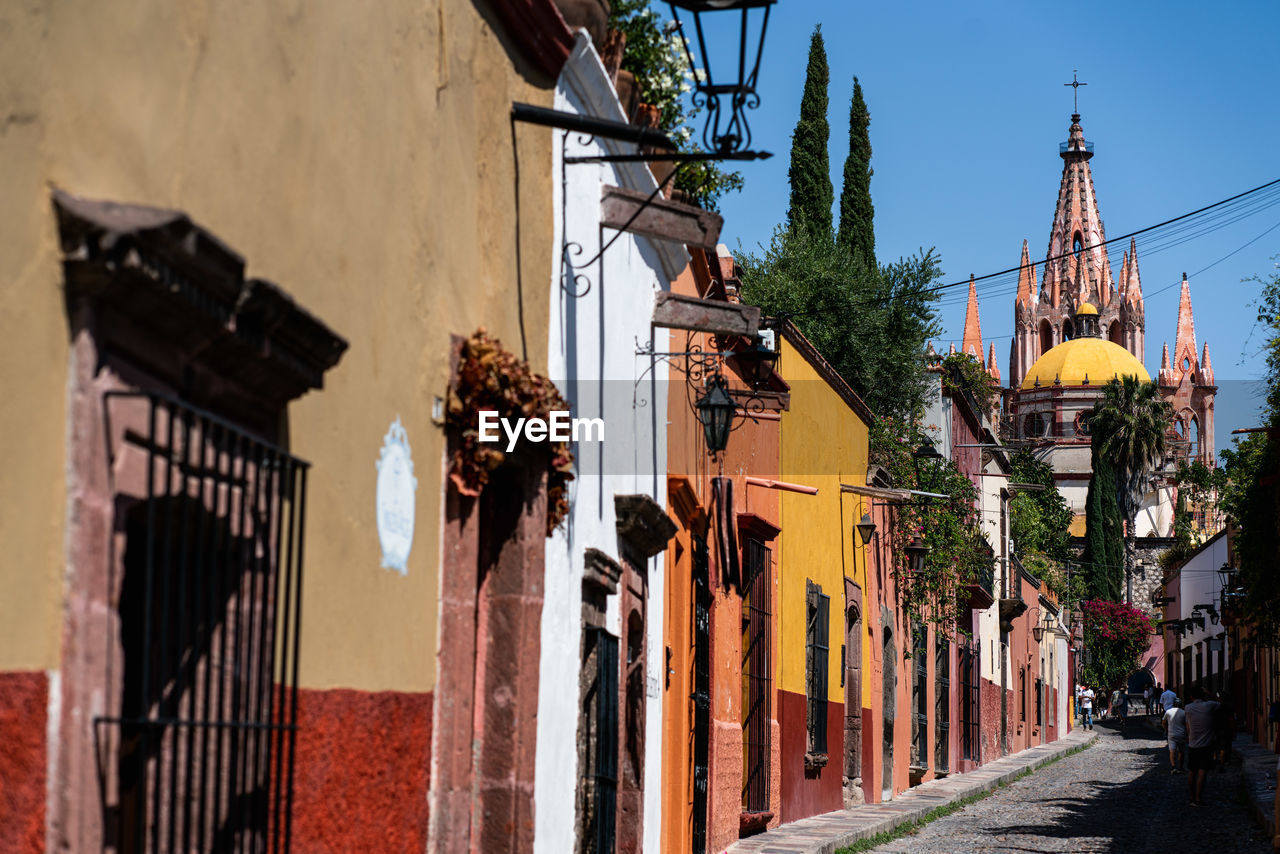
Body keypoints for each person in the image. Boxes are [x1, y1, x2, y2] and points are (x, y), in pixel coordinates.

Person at [1184, 686, 1221, 806]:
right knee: (1202, 772)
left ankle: (1191, 796)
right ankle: (1198, 798)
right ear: (1203, 695)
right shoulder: (1209, 705)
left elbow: (1188, 726)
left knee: (1192, 771)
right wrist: (1209, 693)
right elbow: (1221, 703)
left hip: (1192, 744)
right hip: (1206, 745)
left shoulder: (1188, 708)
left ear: (1191, 697)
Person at [1163, 698, 1187, 773]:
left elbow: (1163, 723)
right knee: (1181, 751)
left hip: (1171, 734)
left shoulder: (1168, 712)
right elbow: (1187, 724)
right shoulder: (1184, 712)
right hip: (1181, 734)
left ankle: (1173, 767)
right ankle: (1180, 767)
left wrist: (1166, 730)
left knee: (1172, 751)